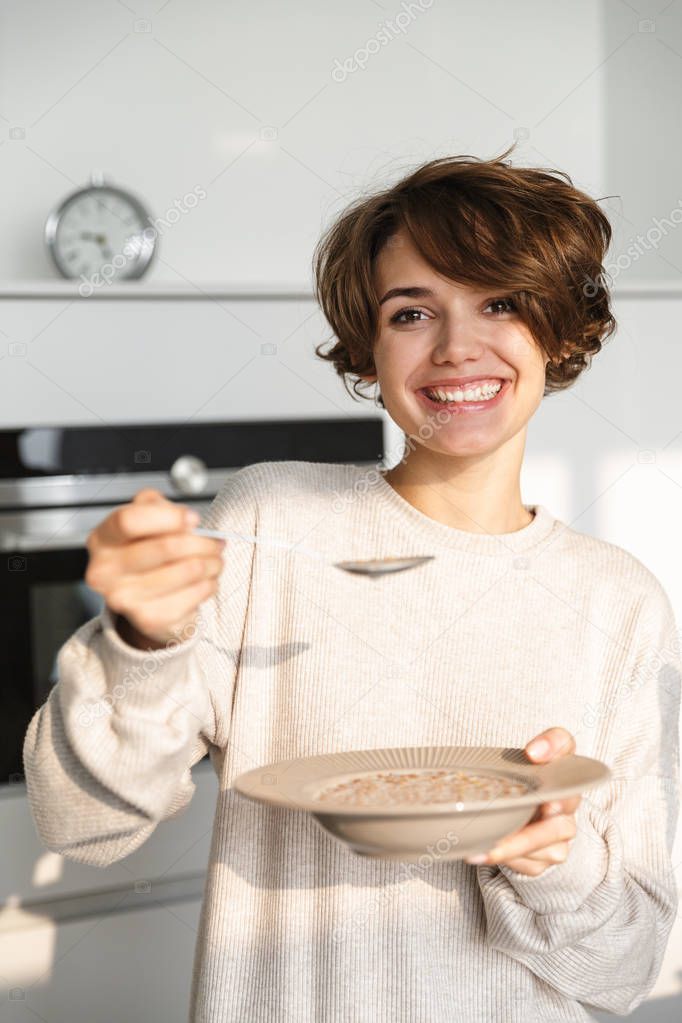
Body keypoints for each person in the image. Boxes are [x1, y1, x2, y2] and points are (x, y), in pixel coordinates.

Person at [23, 144, 681, 1022]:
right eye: (413, 312)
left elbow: (624, 967)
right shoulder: (272, 518)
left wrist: (550, 858)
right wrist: (140, 644)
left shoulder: (619, 600)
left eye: (501, 304)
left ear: (558, 331)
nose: (457, 348)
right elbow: (83, 827)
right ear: (370, 347)